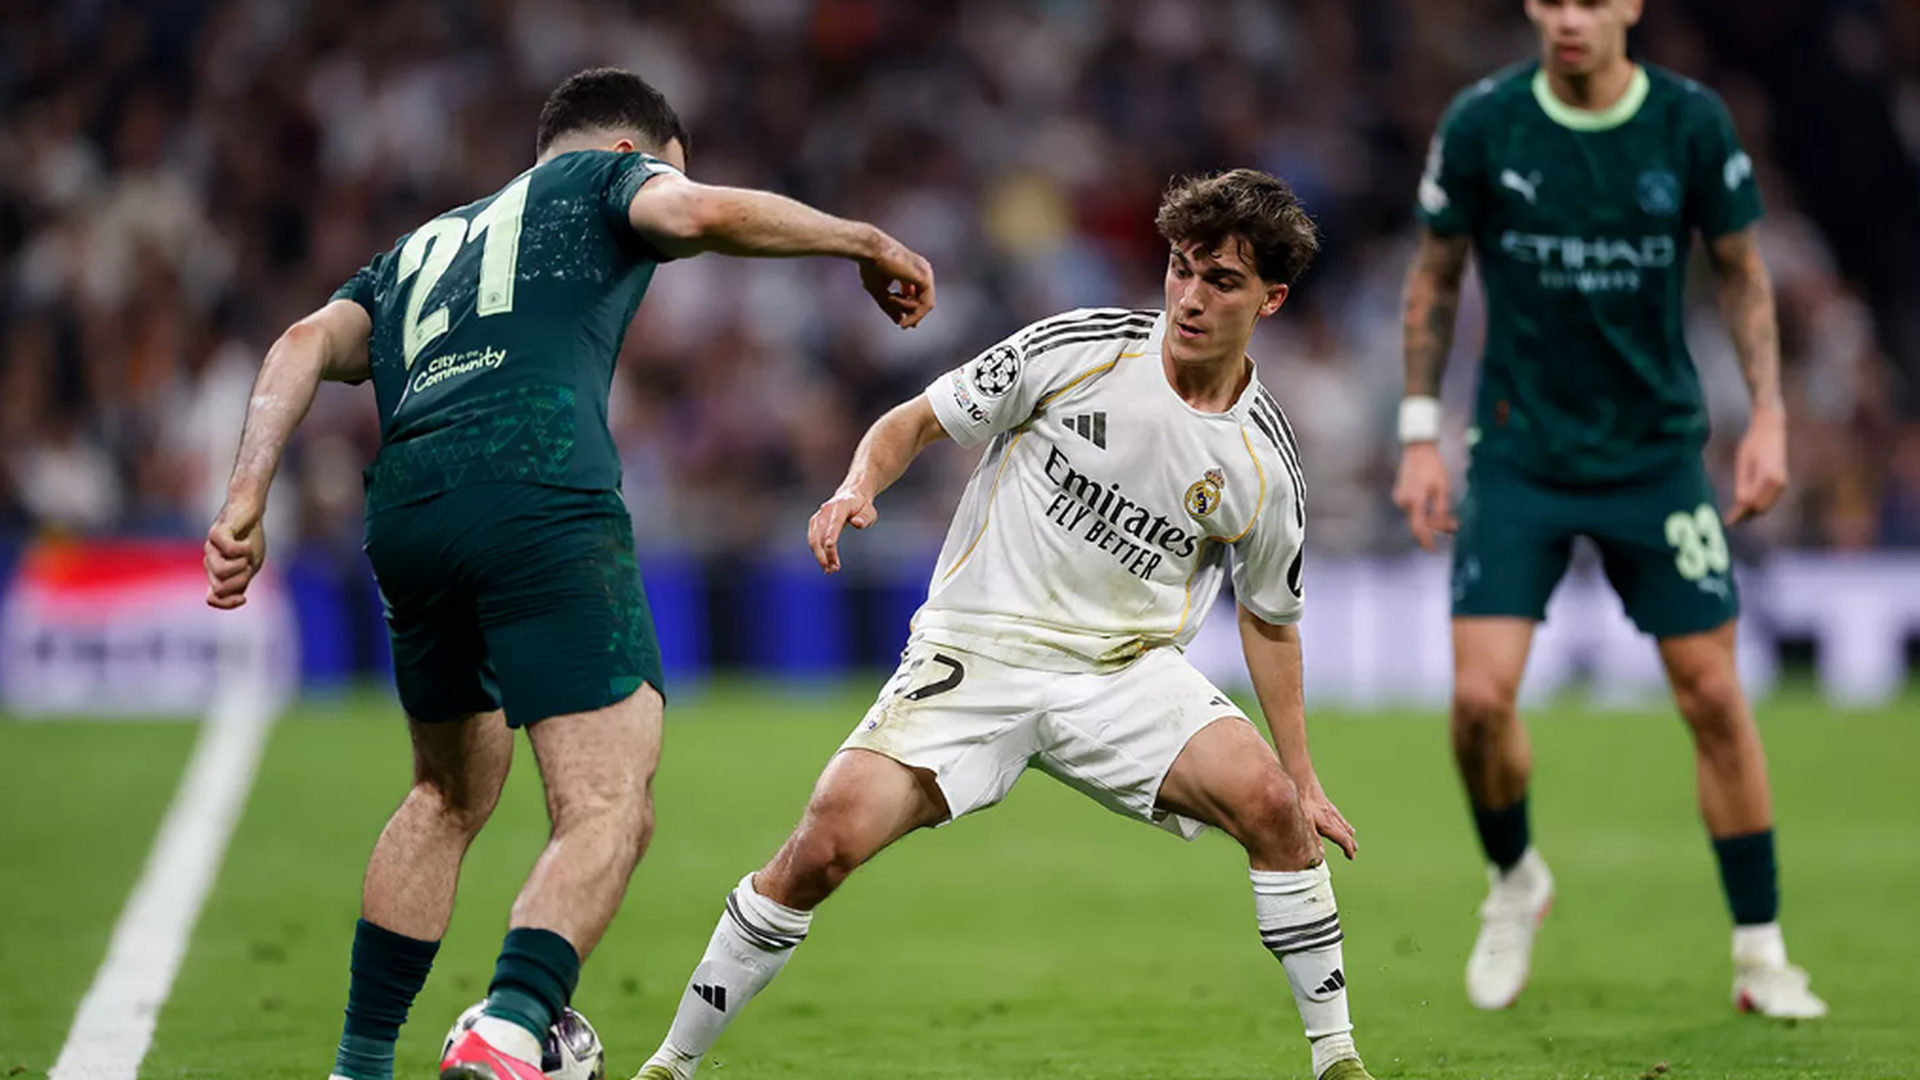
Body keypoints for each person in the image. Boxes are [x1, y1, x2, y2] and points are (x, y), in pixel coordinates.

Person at [199, 67, 936, 1080]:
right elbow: (707, 213)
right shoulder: (606, 179)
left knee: (446, 797)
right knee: (606, 804)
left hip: (408, 507)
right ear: (634, 153)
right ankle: (506, 1037)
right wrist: (865, 240)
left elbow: (298, 343)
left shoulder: (418, 249)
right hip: (537, 486)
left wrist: (247, 493)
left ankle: (359, 1067)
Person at [635, 168, 1374, 1080]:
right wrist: (857, 486)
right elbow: (912, 422)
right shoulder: (1078, 351)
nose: (1189, 295)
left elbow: (1269, 620)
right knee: (823, 843)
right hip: (977, 648)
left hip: (1124, 673)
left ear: (1271, 298)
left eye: (1220, 281)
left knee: (1270, 810)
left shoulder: (1264, 462)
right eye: (1181, 268)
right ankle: (669, 1063)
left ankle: (1337, 1058)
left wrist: (1303, 777)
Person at [1391, 0, 1825, 1018]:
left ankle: (1762, 955)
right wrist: (1419, 431)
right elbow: (1435, 274)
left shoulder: (1689, 122)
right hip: (1520, 454)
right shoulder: (1484, 123)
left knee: (1713, 697)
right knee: (1478, 703)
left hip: (1655, 457)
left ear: (1630, 5)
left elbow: (1742, 271)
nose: (1569, 18)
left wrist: (1768, 417)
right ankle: (1515, 881)